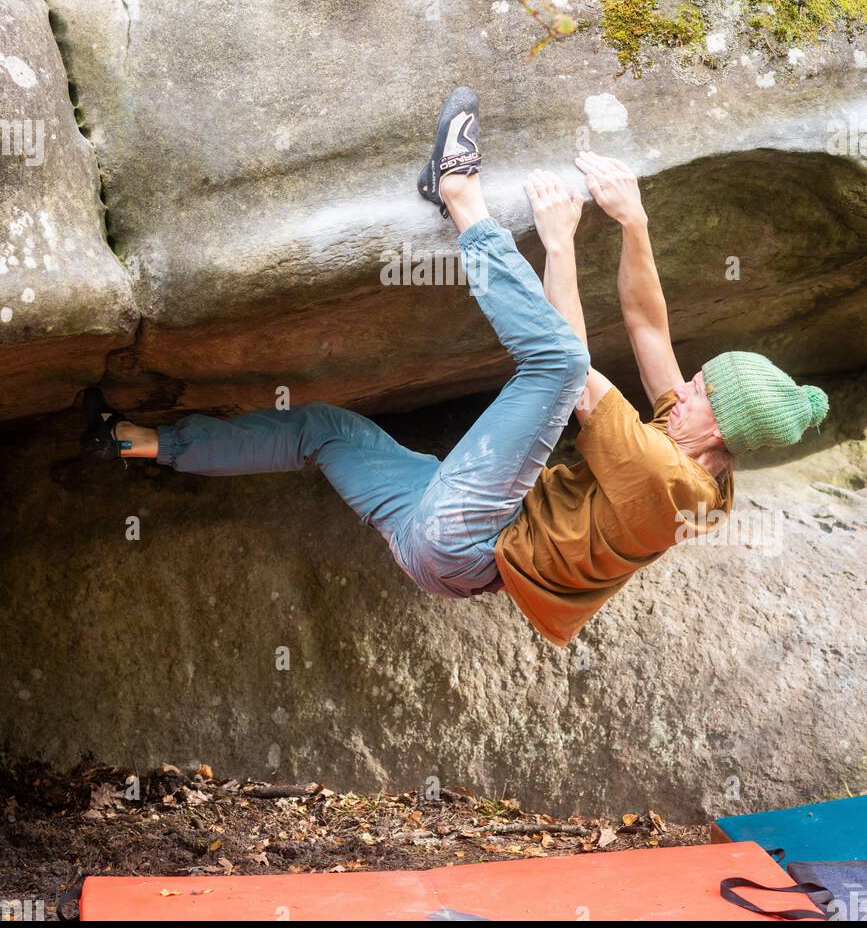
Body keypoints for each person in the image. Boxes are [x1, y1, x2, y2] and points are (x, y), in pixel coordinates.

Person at [80, 88, 828, 645]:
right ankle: (134, 441)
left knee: (556, 363)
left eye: (699, 389)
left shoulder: (664, 484)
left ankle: (457, 193)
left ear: (716, 423)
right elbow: (644, 323)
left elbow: (567, 367)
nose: (685, 383)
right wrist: (632, 223)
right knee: (324, 430)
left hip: (464, 535)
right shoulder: (706, 459)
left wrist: (560, 243)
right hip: (433, 536)